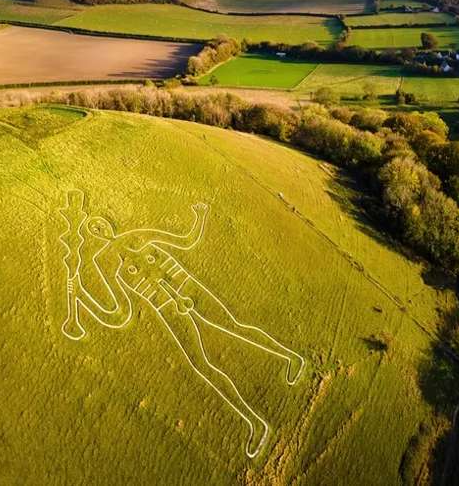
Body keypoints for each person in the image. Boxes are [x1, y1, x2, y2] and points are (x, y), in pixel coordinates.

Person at [60, 191, 305, 458]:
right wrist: (82, 294)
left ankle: (291, 358)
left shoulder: (144, 239)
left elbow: (186, 241)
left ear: (107, 225)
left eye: (99, 224)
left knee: (236, 327)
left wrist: (200, 216)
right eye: (94, 229)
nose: (99, 229)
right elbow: (119, 313)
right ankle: (254, 422)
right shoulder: (118, 273)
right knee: (202, 365)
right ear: (95, 236)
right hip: (170, 312)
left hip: (190, 290)